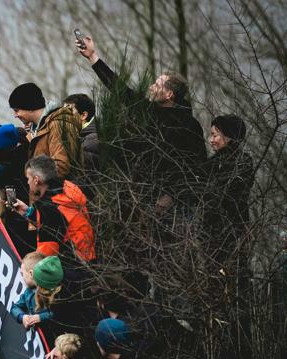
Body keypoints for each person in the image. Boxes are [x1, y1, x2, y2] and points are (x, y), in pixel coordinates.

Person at [76, 34, 207, 214]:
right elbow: (118, 88)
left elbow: (195, 167)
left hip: (178, 206)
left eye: (157, 84)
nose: (151, 86)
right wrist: (92, 56)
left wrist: (170, 196)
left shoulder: (189, 126)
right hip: (143, 196)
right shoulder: (148, 111)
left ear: (169, 95)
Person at [12, 155, 96, 274]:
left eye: (28, 178)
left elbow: (47, 252)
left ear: (36, 180)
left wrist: (31, 270)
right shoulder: (69, 186)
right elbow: (62, 220)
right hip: (87, 251)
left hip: (72, 263)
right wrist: (29, 212)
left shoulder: (47, 206)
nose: (27, 182)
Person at [202, 114, 254, 272]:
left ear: (229, 137)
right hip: (210, 228)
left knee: (234, 272)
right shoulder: (211, 164)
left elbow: (229, 193)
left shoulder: (243, 162)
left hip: (233, 227)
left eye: (215, 135)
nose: (211, 140)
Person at [9, 82, 83, 181]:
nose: (15, 115)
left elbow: (61, 167)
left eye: (17, 110)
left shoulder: (58, 124)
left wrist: (36, 181)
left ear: (30, 107)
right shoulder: (37, 130)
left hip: (58, 194)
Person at [11, 254, 64, 330]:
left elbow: (61, 314)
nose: (22, 277)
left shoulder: (55, 294)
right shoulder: (28, 292)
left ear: (31, 273)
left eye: (22, 274)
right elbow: (15, 307)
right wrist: (22, 317)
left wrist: (41, 317)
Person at [64, 93, 100, 174]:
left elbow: (84, 179)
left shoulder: (90, 142)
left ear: (83, 115)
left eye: (68, 111)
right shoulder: (79, 136)